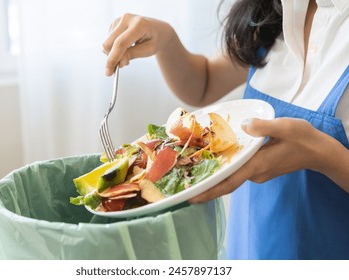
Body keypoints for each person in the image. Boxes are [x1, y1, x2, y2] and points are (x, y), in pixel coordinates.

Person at [102, 0, 349, 260]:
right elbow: (204, 83)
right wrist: (165, 39)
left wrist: (321, 154)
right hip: (251, 246)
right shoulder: (273, 12)